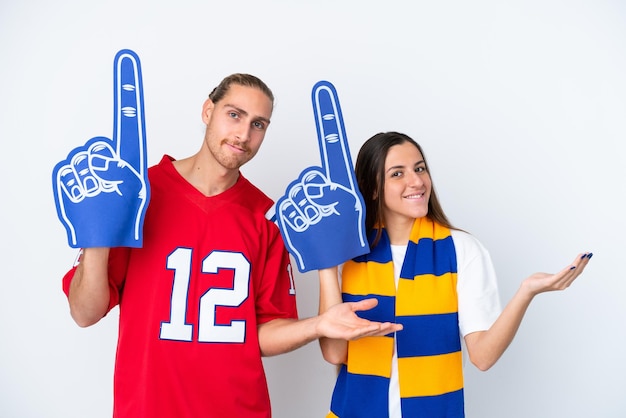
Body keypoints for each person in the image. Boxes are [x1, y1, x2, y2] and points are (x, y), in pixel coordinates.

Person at [61, 74, 401, 418]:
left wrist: (319, 325)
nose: (243, 134)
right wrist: (96, 234)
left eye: (259, 124)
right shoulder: (136, 195)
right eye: (234, 114)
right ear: (208, 110)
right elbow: (84, 313)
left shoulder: (267, 218)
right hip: (147, 408)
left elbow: (262, 333)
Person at [318, 131, 592, 418]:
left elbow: (483, 357)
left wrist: (526, 292)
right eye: (397, 173)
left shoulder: (462, 250)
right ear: (372, 188)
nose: (416, 181)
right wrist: (326, 261)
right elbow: (335, 353)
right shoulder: (345, 255)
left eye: (420, 168)